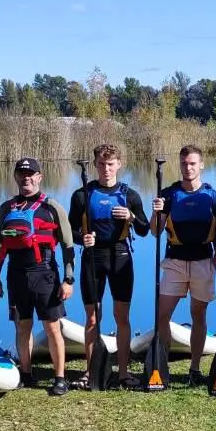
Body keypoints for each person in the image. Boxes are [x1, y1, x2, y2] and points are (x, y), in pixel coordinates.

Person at [0, 158, 77, 394]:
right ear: (16, 177)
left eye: (31, 174)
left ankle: (60, 379)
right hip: (16, 274)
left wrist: (68, 280)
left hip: (45, 274)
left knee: (52, 328)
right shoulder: (6, 208)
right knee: (22, 327)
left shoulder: (52, 207)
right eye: (22, 173)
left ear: (40, 177)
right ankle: (26, 374)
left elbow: (68, 245)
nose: (26, 177)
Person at [69, 144, 150, 389]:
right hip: (93, 257)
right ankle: (90, 370)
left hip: (121, 255)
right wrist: (81, 238)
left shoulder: (130, 195)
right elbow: (69, 230)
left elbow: (145, 230)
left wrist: (131, 217)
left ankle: (123, 372)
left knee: (121, 316)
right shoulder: (82, 194)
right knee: (93, 318)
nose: (106, 169)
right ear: (95, 165)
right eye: (102, 164)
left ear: (119, 164)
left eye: (111, 164)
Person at [151, 145, 216, 389]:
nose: (188, 167)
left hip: (203, 261)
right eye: (184, 163)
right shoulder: (169, 195)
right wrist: (157, 212)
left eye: (192, 163)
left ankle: (194, 369)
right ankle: (163, 365)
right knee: (162, 314)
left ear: (201, 165)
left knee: (198, 315)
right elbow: (154, 231)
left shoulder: (212, 197)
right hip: (174, 262)